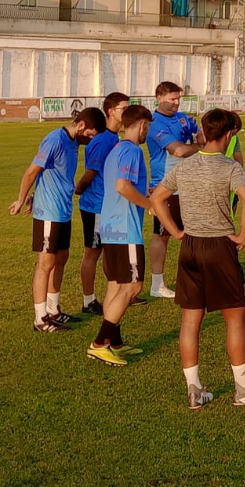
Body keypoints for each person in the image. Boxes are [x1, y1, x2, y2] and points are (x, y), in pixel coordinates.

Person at [148, 109, 245, 409]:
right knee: (235, 316)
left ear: (205, 132)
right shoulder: (230, 167)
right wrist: (244, 235)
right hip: (220, 246)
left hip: (191, 246)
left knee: (191, 320)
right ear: (229, 134)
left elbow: (156, 198)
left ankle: (194, 390)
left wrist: (176, 231)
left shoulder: (185, 166)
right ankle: (243, 389)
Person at [9, 108, 105, 331]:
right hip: (49, 213)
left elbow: (53, 175)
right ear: (81, 126)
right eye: (90, 135)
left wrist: (35, 194)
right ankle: (40, 318)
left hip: (63, 210)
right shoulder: (55, 140)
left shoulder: (72, 143)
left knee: (61, 257)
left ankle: (53, 310)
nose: (89, 140)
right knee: (46, 263)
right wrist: (21, 199)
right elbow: (33, 171)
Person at [87, 105, 154, 365]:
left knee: (115, 285)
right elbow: (122, 186)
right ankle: (100, 343)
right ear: (141, 125)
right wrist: (150, 206)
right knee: (134, 286)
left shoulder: (115, 151)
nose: (148, 131)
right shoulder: (131, 150)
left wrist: (145, 192)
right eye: (148, 126)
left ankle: (114, 342)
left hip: (110, 227)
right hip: (126, 229)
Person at [74, 92, 128, 316]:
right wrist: (78, 189)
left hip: (110, 206)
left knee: (111, 252)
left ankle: (114, 294)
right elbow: (89, 174)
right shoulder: (102, 140)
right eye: (123, 108)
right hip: (96, 206)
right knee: (92, 253)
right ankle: (88, 301)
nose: (127, 112)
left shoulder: (114, 138)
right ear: (110, 111)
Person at [146, 81, 202, 300]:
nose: (177, 103)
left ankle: (194, 275)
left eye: (179, 98)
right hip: (166, 187)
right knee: (162, 235)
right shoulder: (155, 123)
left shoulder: (183, 118)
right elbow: (178, 150)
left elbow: (201, 135)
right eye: (172, 99)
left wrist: (201, 139)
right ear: (159, 98)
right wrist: (200, 147)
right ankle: (157, 284)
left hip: (189, 184)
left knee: (195, 231)